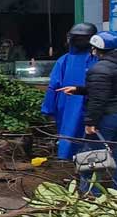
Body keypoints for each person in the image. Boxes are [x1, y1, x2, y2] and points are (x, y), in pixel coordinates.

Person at [60, 31, 117, 195]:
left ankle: (90, 193)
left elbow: (99, 98)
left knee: (91, 155)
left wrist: (91, 122)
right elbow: (116, 89)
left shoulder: (99, 68)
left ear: (97, 48)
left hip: (110, 117)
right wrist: (79, 90)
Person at [42, 23, 98, 160]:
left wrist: (48, 108)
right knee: (92, 142)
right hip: (92, 105)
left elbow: (53, 86)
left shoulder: (65, 60)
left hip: (67, 104)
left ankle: (72, 163)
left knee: (69, 135)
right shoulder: (98, 59)